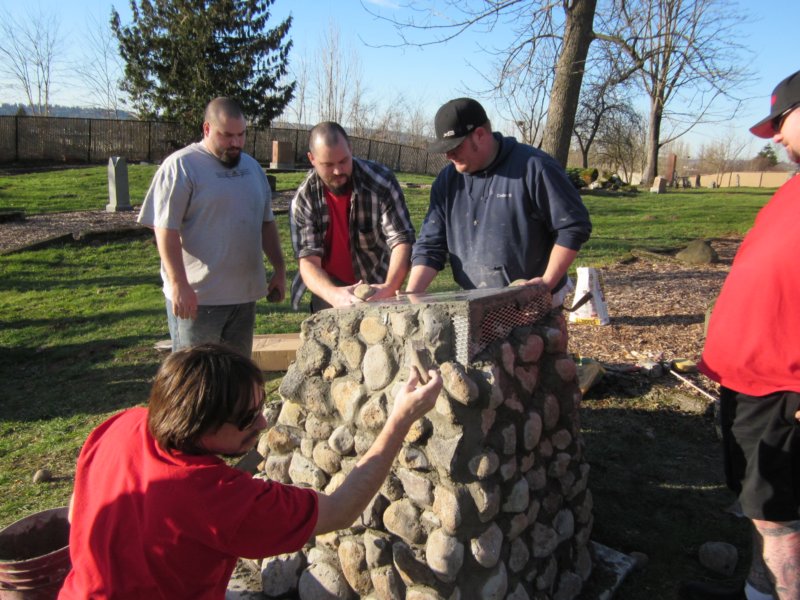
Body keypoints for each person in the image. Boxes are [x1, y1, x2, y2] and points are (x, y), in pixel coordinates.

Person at [59, 343, 442, 599]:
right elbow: (341, 509)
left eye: (260, 407)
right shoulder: (220, 498)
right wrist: (401, 417)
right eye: (247, 418)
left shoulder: (122, 425)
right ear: (201, 427)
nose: (262, 424)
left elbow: (77, 509)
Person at [689, 70, 800, 600]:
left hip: (785, 390)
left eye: (781, 121)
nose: (775, 136)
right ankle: (760, 589)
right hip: (752, 385)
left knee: (782, 517)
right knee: (761, 510)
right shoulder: (794, 188)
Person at [405, 98, 591, 308]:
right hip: (474, 301)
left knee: (533, 342)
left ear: (480, 135)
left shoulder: (535, 167)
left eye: (455, 146)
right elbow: (431, 245)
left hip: (533, 298)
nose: (448, 155)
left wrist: (546, 283)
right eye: (445, 149)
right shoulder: (448, 182)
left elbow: (572, 226)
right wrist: (411, 297)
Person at [138, 97, 286, 357]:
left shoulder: (252, 169)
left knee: (235, 379)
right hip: (198, 300)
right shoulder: (182, 166)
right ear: (207, 129)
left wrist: (280, 269)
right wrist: (178, 284)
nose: (236, 143)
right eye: (227, 135)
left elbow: (266, 223)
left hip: (243, 297)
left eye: (241, 135)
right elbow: (165, 229)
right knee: (196, 381)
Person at [289, 121, 416, 311]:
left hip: (376, 282)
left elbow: (402, 239)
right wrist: (334, 295)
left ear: (350, 148)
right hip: (329, 286)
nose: (338, 171)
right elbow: (307, 260)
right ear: (312, 159)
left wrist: (390, 287)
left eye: (343, 161)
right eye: (328, 165)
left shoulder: (381, 182)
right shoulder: (304, 199)